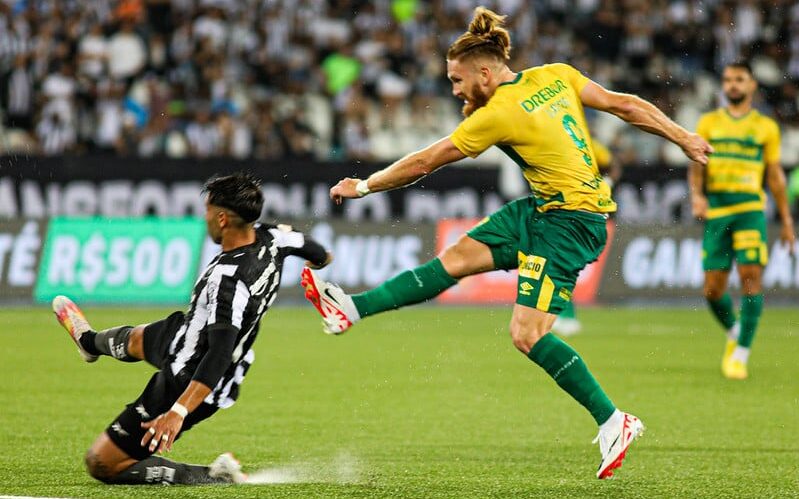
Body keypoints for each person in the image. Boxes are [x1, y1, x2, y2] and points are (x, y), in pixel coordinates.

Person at [301, 7, 711, 479]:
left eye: (456, 80)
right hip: (540, 210)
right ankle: (350, 310)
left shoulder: (497, 113)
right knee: (453, 260)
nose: (454, 90)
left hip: (569, 223)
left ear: (483, 71)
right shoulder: (556, 75)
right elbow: (625, 104)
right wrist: (682, 136)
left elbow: (426, 161)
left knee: (526, 334)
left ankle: (614, 420)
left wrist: (366, 186)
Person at [52, 173, 331, 485]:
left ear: (223, 219)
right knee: (136, 338)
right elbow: (321, 254)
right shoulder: (273, 237)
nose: (205, 217)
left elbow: (219, 353)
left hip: (187, 376)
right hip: (186, 333)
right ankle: (89, 343)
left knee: (102, 463)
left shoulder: (229, 280)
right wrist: (318, 278)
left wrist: (178, 411)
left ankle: (216, 476)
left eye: (208, 211)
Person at [688, 62, 795, 380]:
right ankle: (735, 332)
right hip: (718, 212)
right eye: (728, 80)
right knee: (712, 290)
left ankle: (741, 354)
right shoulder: (708, 122)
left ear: (752, 87)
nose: (732, 85)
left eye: (739, 80)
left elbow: (774, 175)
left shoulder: (765, 127)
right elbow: (697, 162)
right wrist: (697, 195)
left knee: (750, 276)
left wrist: (786, 219)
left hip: (750, 209)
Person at [551, 138, 620, 337]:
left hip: (581, 211)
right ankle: (562, 315)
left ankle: (567, 317)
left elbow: (613, 165)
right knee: (558, 264)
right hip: (564, 208)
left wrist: (608, 182)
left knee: (560, 264)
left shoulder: (588, 143)